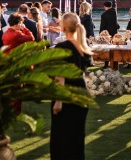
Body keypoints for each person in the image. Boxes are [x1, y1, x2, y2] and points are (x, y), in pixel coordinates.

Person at [50, 12, 93, 160]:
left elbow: (60, 76)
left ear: (63, 27)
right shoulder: (83, 47)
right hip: (81, 94)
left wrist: (58, 102)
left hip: (67, 96)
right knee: (76, 138)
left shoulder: (62, 47)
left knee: (61, 140)